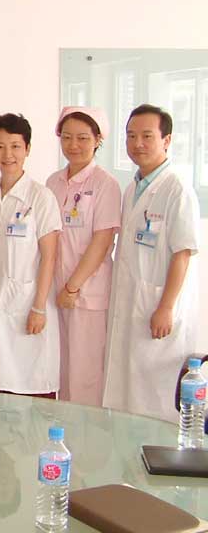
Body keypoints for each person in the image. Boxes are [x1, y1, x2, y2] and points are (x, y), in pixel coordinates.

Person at [103, 104, 200, 422]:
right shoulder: (133, 187)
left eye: (147, 136)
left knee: (155, 398)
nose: (137, 144)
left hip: (157, 307)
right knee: (129, 395)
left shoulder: (177, 189)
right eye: (131, 136)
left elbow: (182, 252)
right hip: (134, 303)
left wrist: (166, 307)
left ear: (166, 140)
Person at [0, 113, 61, 397]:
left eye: (15, 146)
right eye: (0, 146)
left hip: (26, 307)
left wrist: (39, 307)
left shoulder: (41, 197)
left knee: (26, 386)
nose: (7, 154)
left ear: (27, 149)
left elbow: (49, 257)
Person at [46, 107, 121, 406]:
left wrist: (73, 286)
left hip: (87, 293)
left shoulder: (105, 184)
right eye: (66, 137)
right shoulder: (53, 182)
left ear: (98, 140)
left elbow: (102, 241)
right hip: (56, 290)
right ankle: (62, 430)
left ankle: (86, 433)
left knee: (85, 373)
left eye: (82, 138)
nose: (73, 145)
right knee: (60, 370)